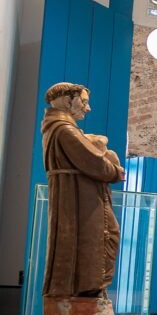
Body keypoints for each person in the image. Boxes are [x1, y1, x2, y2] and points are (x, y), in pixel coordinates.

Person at [41, 82, 125, 300]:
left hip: (79, 195)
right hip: (80, 199)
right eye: (84, 102)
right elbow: (96, 164)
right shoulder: (65, 130)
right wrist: (116, 170)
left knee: (96, 239)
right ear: (67, 100)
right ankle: (87, 291)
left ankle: (86, 291)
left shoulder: (59, 128)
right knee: (103, 237)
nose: (88, 108)